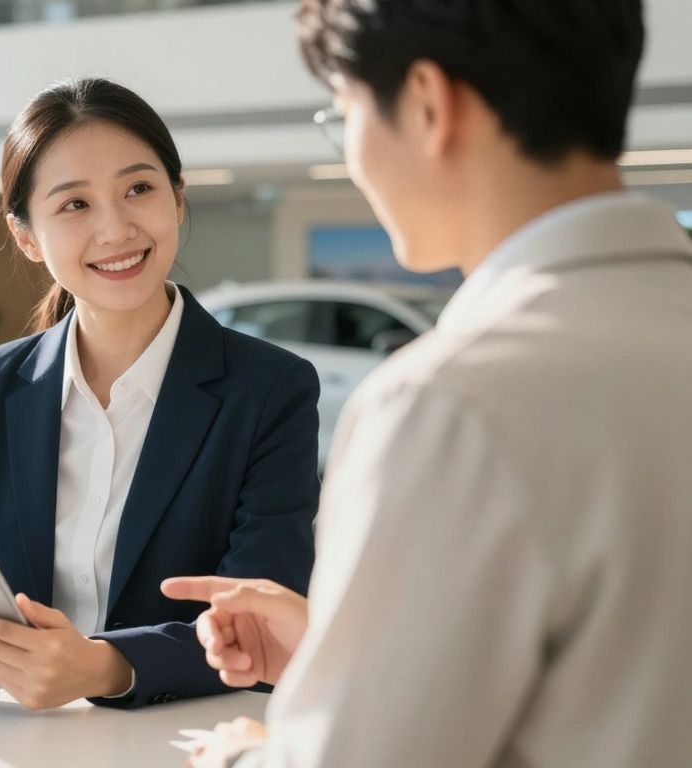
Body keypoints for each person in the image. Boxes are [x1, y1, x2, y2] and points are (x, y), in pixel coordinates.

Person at [163, 0, 692, 764]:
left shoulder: (450, 401)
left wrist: (248, 755)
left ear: (426, 103)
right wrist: (354, 652)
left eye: (341, 112)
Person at [0, 78, 322, 710]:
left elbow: (260, 616)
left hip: (182, 739)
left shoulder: (270, 389)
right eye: (75, 205)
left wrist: (105, 667)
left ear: (177, 199)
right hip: (10, 740)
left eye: (139, 189)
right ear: (27, 236)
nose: (116, 230)